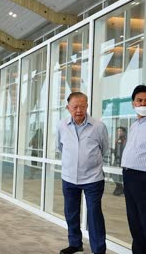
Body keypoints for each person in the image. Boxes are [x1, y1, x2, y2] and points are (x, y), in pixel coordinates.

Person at [56, 92, 109, 254]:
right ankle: (75, 243)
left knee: (94, 216)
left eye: (83, 106)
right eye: (75, 107)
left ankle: (98, 249)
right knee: (71, 213)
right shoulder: (62, 125)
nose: (79, 110)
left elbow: (104, 148)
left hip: (93, 178)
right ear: (68, 108)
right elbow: (60, 147)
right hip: (69, 178)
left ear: (87, 106)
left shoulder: (98, 126)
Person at [121, 85, 146, 254]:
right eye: (139, 100)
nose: (143, 103)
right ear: (133, 103)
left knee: (144, 219)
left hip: (143, 177)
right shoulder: (135, 124)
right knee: (133, 219)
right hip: (129, 176)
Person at [112, 126, 127, 196]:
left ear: (124, 132)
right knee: (113, 174)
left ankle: (121, 188)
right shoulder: (117, 140)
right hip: (116, 160)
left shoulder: (125, 141)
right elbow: (117, 150)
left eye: (120, 131)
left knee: (120, 175)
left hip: (122, 160)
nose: (119, 132)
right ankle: (119, 187)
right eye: (118, 131)